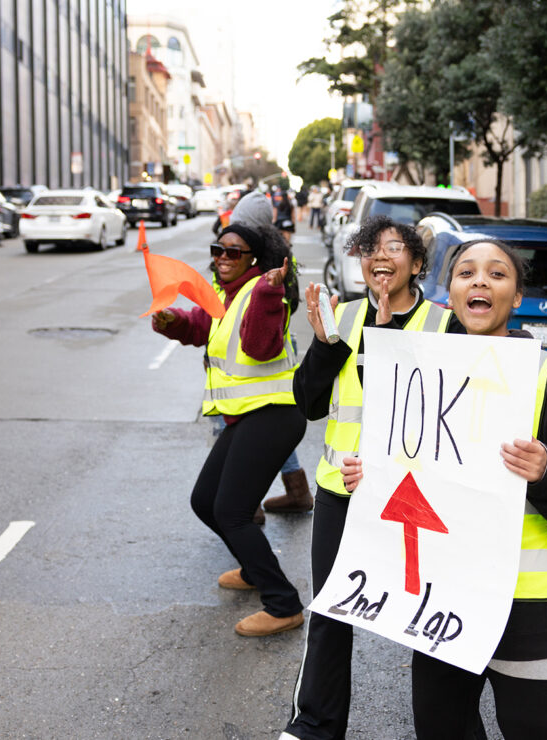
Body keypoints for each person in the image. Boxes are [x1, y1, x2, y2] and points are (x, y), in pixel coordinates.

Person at [340, 238, 547, 739]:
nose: (480, 281)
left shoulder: (545, 377)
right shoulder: (420, 372)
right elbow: (410, 473)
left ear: (517, 297)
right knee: (442, 728)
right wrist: (369, 479)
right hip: (445, 597)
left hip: (528, 610)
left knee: (534, 731)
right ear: (450, 294)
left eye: (497, 274)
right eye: (466, 272)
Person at [281, 215, 453, 740]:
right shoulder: (344, 316)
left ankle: (447, 728)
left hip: (418, 503)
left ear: (417, 265)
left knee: (432, 619)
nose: (380, 255)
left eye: (396, 247)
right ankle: (315, 725)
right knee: (331, 613)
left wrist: (385, 337)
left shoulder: (443, 326)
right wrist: (325, 343)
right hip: (341, 493)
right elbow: (308, 404)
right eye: (370, 247)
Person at [151, 222, 306, 637]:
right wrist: (170, 320)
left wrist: (271, 293)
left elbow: (259, 346)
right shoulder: (224, 294)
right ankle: (257, 570)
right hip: (245, 415)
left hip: (274, 414)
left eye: (233, 252)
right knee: (205, 501)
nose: (222, 258)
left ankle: (284, 604)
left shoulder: (262, 292)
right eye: (218, 249)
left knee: (232, 512)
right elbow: (200, 327)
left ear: (253, 258)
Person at [229, 191, 314, 514]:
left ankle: (245, 503)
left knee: (238, 427)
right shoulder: (277, 252)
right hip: (275, 351)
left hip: (252, 354)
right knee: (261, 427)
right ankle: (296, 490)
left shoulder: (253, 258)